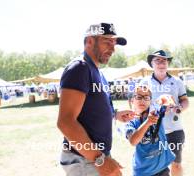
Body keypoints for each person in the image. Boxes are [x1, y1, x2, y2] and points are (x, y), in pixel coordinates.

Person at [57, 22, 135, 176]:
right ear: (90, 41)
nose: (113, 49)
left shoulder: (96, 71)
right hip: (85, 160)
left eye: (114, 43)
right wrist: (100, 160)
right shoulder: (80, 68)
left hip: (94, 157)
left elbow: (89, 110)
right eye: (107, 41)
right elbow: (65, 122)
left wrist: (115, 114)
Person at [140, 50, 189, 176]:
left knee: (176, 164)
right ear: (151, 64)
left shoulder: (177, 81)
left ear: (168, 63)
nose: (161, 63)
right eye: (158, 60)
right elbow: (139, 106)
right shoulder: (145, 82)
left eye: (164, 60)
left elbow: (185, 101)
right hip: (153, 130)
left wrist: (177, 108)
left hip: (175, 131)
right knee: (155, 167)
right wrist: (154, 112)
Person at [125, 85, 175, 176]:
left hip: (163, 169)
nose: (143, 100)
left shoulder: (156, 112)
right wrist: (148, 122)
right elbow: (133, 141)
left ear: (150, 101)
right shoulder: (130, 122)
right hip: (144, 172)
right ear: (132, 100)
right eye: (139, 97)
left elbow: (168, 105)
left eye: (146, 97)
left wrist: (167, 100)